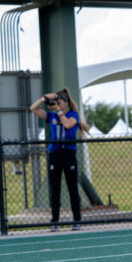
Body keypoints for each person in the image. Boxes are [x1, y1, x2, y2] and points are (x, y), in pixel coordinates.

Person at [30, 87, 89, 232]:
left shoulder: (73, 114)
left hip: (68, 153)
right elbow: (33, 109)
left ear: (66, 102)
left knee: (72, 188)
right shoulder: (52, 116)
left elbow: (68, 124)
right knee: (55, 189)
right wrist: (44, 98)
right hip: (55, 153)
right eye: (55, 101)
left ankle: (76, 220)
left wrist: (59, 111)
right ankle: (54, 221)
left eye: (59, 101)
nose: (57, 103)